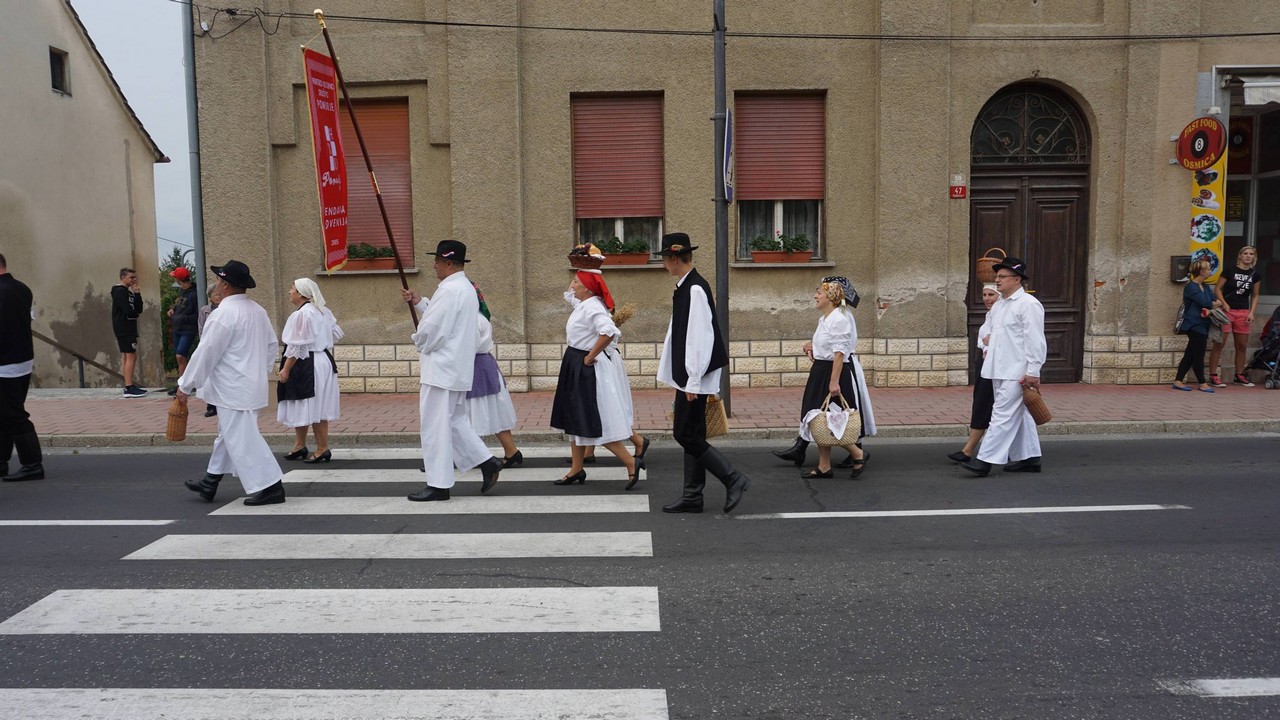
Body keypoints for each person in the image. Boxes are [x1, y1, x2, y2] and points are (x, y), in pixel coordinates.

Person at [400, 240, 504, 502]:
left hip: (441, 369)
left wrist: (418, 339)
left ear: (447, 263)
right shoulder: (465, 288)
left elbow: (433, 329)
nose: (433, 265)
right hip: (457, 368)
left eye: (436, 260)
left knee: (435, 426)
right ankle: (487, 461)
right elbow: (450, 318)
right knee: (455, 421)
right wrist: (420, 302)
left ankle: (439, 484)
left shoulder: (448, 290)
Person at [177, 260, 286, 506]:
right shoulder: (257, 310)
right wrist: (260, 370)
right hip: (249, 384)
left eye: (218, 280)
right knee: (228, 435)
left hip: (232, 387)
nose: (217, 284)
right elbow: (271, 345)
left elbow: (206, 353)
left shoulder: (223, 314)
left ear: (225, 284)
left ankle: (271, 486)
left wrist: (186, 384)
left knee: (242, 438)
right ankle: (210, 481)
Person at [656, 233, 751, 514]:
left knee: (684, 434)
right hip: (687, 375)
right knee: (693, 433)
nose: (663, 263)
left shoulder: (694, 289)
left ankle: (733, 478)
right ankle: (693, 496)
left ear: (674, 259)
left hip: (692, 376)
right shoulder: (687, 286)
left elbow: (700, 337)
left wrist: (693, 381)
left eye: (664, 258)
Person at [549, 265, 647, 490]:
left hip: (586, 367)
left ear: (588, 290)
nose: (571, 285)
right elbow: (569, 295)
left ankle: (631, 462)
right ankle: (576, 468)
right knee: (575, 419)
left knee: (593, 419)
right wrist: (584, 266)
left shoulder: (593, 307)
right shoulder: (584, 304)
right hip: (575, 362)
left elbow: (609, 331)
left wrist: (590, 356)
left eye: (576, 282)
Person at [773, 276, 875, 471]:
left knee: (827, 417)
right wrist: (813, 347)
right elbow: (828, 344)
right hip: (822, 369)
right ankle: (824, 465)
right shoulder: (826, 318)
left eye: (819, 292)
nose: (815, 295)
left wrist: (834, 381)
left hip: (832, 371)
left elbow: (839, 353)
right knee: (819, 416)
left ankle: (856, 452)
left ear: (830, 296)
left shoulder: (840, 318)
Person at [961, 258, 1047, 477]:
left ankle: (984, 460)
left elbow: (1035, 340)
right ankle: (1030, 458)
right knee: (1019, 414)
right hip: (998, 368)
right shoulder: (1000, 305)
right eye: (996, 277)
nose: (997, 280)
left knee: (1001, 414)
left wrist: (1033, 371)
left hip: (1016, 370)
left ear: (1016, 279)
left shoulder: (1028, 304)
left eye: (1002, 277)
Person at [277, 278, 343, 464]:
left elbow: (298, 346)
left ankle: (322, 448)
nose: (290, 292)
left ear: (301, 294)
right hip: (322, 360)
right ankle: (300, 445)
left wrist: (285, 369)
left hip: (308, 362)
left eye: (292, 288)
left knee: (314, 405)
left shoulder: (303, 315)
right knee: (304, 403)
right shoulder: (322, 311)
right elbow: (334, 335)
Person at [466, 282, 523, 469]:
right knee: (492, 412)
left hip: (476, 368)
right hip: (484, 367)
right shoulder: (478, 316)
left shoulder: (472, 320)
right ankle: (511, 451)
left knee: (470, 413)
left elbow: (466, 346)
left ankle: (472, 457)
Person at [0, 253, 44, 482]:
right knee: (5, 414)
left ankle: (32, 464)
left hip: (4, 363)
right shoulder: (22, 288)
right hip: (22, 360)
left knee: (14, 415)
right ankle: (1, 462)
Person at [948, 282, 1000, 464]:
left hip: (996, 366)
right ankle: (1026, 455)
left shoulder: (1001, 313)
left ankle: (970, 451)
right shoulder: (990, 314)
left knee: (985, 406)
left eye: (991, 295)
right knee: (987, 406)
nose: (987, 299)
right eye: (985, 295)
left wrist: (992, 340)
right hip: (986, 362)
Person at [1208, 246, 1263, 388]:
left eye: (1251, 254)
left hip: (1243, 312)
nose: (1248, 256)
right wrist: (1224, 304)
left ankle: (1239, 375)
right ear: (1240, 256)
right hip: (1227, 311)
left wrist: (1252, 312)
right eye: (1245, 253)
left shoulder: (1255, 275)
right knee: (1219, 344)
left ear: (1254, 257)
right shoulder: (1229, 270)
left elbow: (1255, 295)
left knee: (1242, 346)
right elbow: (1217, 289)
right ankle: (1213, 375)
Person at [1172, 258, 1222, 393]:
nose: (1210, 271)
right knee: (1198, 354)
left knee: (1190, 353)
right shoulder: (1191, 287)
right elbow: (1206, 302)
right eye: (1208, 269)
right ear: (1201, 271)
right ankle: (1202, 383)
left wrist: (1213, 303)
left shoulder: (1205, 286)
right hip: (1193, 324)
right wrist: (1213, 304)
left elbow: (1213, 300)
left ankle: (1178, 380)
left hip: (1204, 323)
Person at [111, 267, 146, 397]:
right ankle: (129, 387)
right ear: (123, 277)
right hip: (124, 327)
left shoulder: (129, 292)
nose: (133, 280)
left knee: (127, 355)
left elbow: (139, 308)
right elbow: (128, 310)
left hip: (129, 326)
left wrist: (137, 293)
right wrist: (134, 314)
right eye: (131, 277)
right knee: (131, 355)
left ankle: (128, 384)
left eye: (134, 277)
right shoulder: (119, 291)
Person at [166, 266, 199, 395]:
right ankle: (182, 383)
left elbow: (196, 313)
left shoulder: (194, 294)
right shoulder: (182, 292)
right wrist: (173, 310)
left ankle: (184, 384)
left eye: (175, 277)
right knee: (180, 357)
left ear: (179, 279)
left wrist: (181, 317)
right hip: (178, 328)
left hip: (188, 329)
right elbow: (180, 305)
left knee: (181, 355)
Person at [197, 285, 221, 417]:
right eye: (215, 294)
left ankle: (221, 403)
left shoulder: (226, 309)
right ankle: (211, 405)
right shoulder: (205, 311)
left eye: (219, 294)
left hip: (222, 348)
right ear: (210, 297)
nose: (218, 297)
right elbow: (201, 329)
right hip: (209, 347)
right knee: (210, 377)